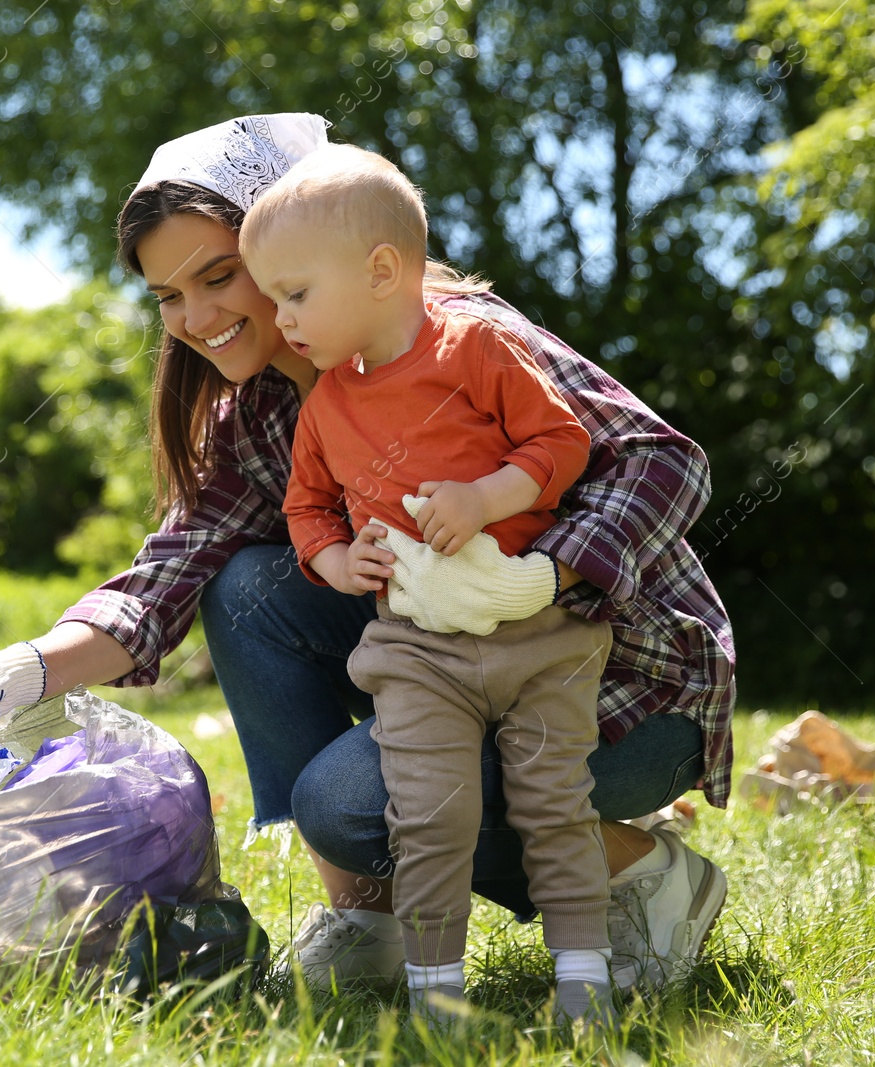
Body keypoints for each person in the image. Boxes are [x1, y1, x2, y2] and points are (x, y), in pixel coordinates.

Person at [0, 113, 734, 1000]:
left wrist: (540, 573)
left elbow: (661, 460)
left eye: (220, 276)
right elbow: (165, 575)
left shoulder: (461, 337)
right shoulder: (253, 416)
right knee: (246, 585)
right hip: (458, 678)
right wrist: (17, 673)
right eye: (168, 297)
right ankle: (366, 918)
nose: (196, 318)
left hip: (622, 689)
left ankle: (645, 878)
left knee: (350, 805)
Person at [240, 143, 617, 1028]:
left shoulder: (478, 345)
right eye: (274, 298)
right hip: (415, 650)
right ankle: (436, 992)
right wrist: (336, 562)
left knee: (554, 808)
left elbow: (563, 445)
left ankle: (585, 981)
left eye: (296, 293)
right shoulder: (328, 403)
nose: (281, 318)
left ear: (381, 271)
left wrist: (486, 496)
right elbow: (307, 510)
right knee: (429, 818)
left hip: (540, 633)